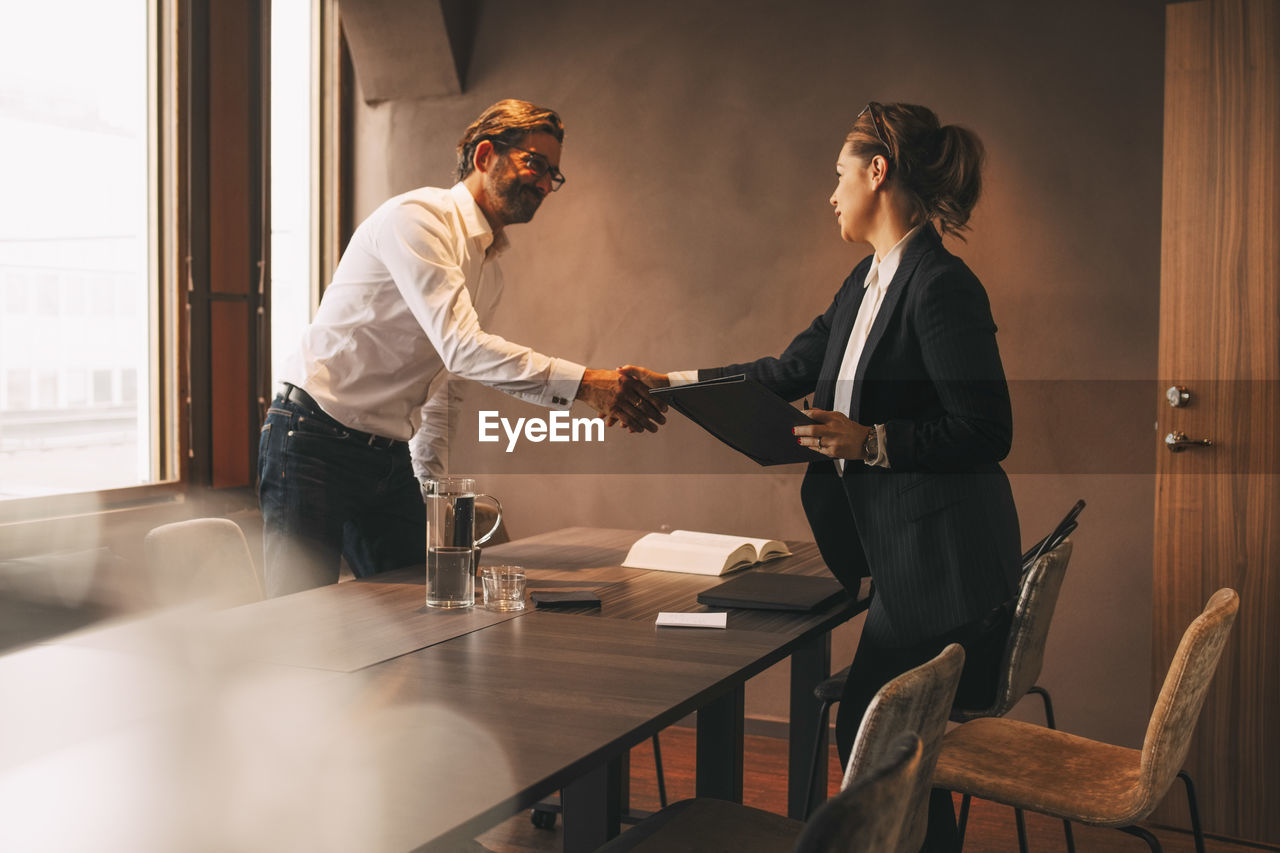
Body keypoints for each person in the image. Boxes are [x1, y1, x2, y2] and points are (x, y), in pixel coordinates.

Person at [622, 102, 1019, 851]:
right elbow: (784, 371)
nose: (830, 193)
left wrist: (872, 442)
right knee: (886, 747)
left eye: (839, 175)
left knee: (879, 741)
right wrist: (667, 382)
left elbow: (988, 429)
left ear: (878, 172)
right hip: (905, 558)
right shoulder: (865, 282)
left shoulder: (941, 285)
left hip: (946, 566)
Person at [259, 99, 665, 597]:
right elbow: (463, 349)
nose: (543, 184)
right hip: (312, 439)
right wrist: (585, 383)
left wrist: (434, 496)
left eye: (553, 175)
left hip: (385, 455)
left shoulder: (487, 271)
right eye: (535, 163)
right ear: (485, 155)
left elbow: (445, 390)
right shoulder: (419, 219)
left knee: (421, 606)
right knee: (296, 623)